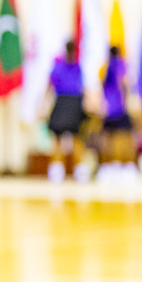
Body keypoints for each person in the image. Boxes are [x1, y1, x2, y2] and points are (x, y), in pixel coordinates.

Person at [46, 41, 88, 182]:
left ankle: (59, 170)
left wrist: (44, 103)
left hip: (64, 103)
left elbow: (49, 85)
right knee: (75, 139)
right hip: (72, 103)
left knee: (59, 139)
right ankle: (77, 170)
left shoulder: (60, 67)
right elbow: (83, 87)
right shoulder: (77, 67)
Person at [99, 45, 138, 181]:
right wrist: (126, 100)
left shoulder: (105, 66)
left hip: (108, 108)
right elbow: (123, 83)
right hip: (119, 107)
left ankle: (109, 164)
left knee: (108, 139)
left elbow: (101, 85)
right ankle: (122, 164)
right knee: (123, 138)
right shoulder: (121, 65)